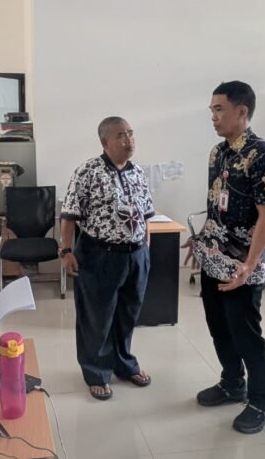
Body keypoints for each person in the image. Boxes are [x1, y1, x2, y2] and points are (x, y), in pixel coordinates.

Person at [193, 81, 265, 434]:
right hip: (213, 257)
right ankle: (233, 382)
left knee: (246, 333)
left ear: (242, 111)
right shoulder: (218, 153)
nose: (213, 117)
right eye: (212, 110)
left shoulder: (264, 156)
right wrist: (202, 240)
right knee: (218, 327)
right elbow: (217, 205)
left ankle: (262, 400)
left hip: (243, 266)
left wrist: (249, 264)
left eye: (219, 109)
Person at [60, 116, 155, 401]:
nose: (129, 140)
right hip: (99, 255)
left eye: (131, 133)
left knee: (128, 314)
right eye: (121, 135)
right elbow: (69, 215)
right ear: (105, 142)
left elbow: (146, 213)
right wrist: (66, 251)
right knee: (97, 318)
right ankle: (96, 372)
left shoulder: (138, 172)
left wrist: (145, 247)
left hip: (135, 256)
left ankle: (124, 364)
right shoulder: (87, 171)